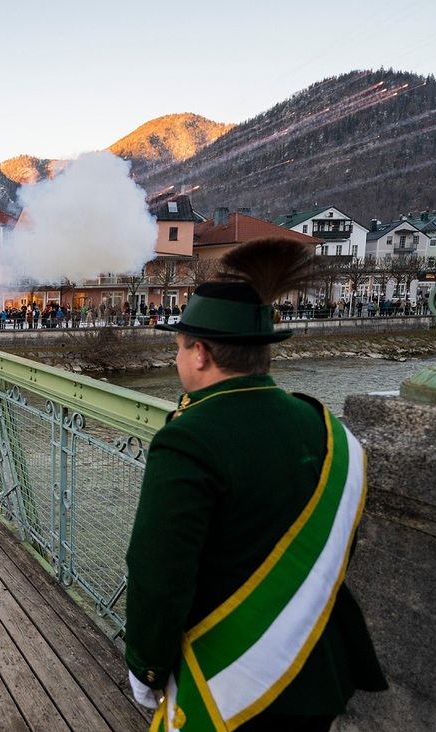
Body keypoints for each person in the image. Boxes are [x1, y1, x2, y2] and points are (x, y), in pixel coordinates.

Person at [124, 238, 386, 731]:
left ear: (200, 353)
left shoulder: (189, 439)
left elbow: (158, 573)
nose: (177, 358)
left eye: (178, 347)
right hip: (316, 670)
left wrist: (147, 667)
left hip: (230, 681)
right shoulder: (323, 425)